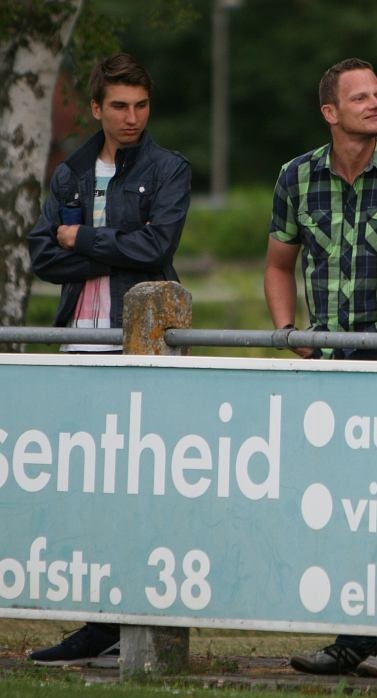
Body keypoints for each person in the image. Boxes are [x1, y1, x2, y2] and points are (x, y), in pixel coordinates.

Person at [265, 58, 377, 678]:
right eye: (361, 97)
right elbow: (277, 264)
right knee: (337, 505)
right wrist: (289, 331)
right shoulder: (296, 176)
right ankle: (348, 637)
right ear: (330, 112)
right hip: (327, 364)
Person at [26, 52, 191, 667]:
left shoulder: (169, 168)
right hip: (77, 341)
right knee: (87, 488)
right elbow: (44, 256)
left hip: (141, 340)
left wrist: (84, 240)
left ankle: (134, 618)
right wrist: (111, 250)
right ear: (96, 108)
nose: (131, 118)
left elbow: (157, 245)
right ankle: (98, 623)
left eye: (141, 106)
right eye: (119, 106)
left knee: (140, 484)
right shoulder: (69, 172)